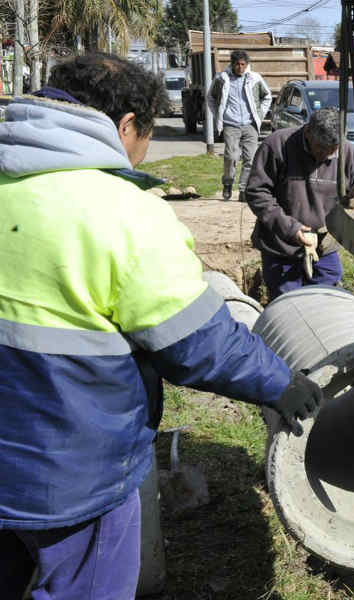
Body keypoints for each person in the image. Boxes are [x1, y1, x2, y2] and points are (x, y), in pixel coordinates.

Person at [0, 53, 320, 599]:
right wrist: (280, 383)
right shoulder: (121, 213)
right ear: (126, 125)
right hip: (70, 472)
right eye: (147, 136)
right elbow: (195, 340)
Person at [245, 107, 354, 299]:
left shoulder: (349, 153)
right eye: (321, 148)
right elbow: (257, 192)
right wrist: (290, 228)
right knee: (288, 304)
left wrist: (338, 229)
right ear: (307, 132)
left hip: (324, 247)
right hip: (281, 246)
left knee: (327, 299)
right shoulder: (277, 145)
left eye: (333, 150)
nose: (326, 155)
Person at [207, 50, 272, 202]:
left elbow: (267, 96)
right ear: (232, 64)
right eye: (237, 64)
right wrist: (219, 115)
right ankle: (228, 183)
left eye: (243, 64)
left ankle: (243, 189)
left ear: (247, 64)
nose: (240, 67)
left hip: (250, 124)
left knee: (251, 159)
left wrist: (259, 115)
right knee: (231, 156)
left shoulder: (255, 78)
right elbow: (210, 97)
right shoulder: (221, 79)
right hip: (231, 124)